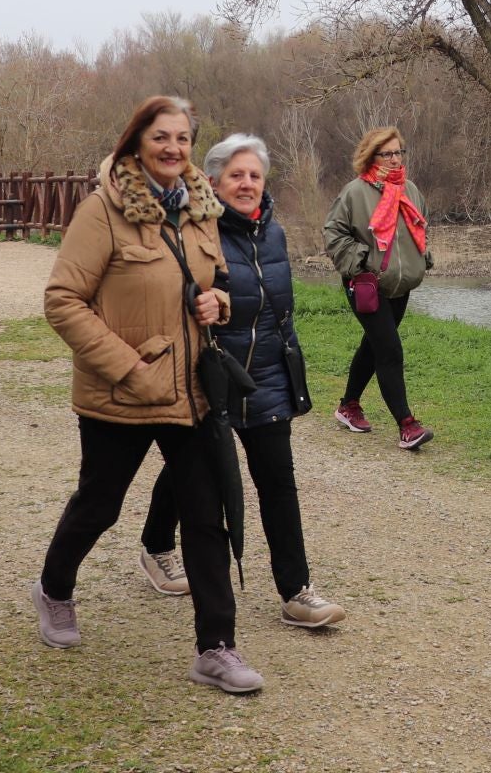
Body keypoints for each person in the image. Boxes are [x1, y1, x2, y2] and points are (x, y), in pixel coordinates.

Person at [31, 95, 264, 694]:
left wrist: (221, 304)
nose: (173, 149)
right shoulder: (102, 210)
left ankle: (216, 647)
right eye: (161, 137)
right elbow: (62, 301)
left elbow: (217, 286)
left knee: (204, 517)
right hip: (122, 392)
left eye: (183, 138)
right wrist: (129, 369)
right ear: (137, 141)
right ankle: (54, 589)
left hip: (190, 393)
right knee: (99, 504)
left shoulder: (201, 210)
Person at [141, 134, 345, 629]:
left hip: (268, 376)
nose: (247, 184)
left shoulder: (273, 232)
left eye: (254, 175)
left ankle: (297, 591)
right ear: (211, 181)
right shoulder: (192, 230)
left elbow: (281, 309)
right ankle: (156, 546)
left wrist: (290, 363)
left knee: (278, 481)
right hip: (210, 373)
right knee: (196, 472)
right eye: (236, 175)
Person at [324, 125, 435, 449]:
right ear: (371, 156)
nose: (395, 158)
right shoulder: (354, 192)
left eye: (398, 151)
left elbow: (421, 225)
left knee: (374, 346)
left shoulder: (410, 190)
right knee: (389, 349)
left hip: (400, 284)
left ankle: (348, 406)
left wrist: (421, 256)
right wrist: (362, 262)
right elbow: (334, 234)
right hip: (366, 284)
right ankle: (407, 425)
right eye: (387, 153)